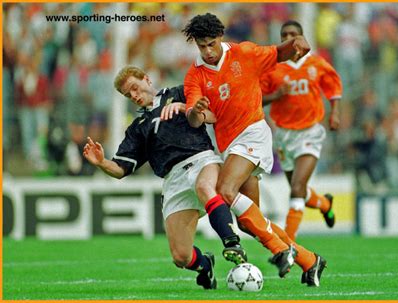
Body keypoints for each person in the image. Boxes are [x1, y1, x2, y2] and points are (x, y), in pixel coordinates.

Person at [182, 13, 327, 287]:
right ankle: (310, 261)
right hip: (229, 147)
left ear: (221, 38)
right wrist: (197, 112)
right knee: (251, 222)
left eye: (211, 44)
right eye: (202, 46)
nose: (208, 51)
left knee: (225, 190)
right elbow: (193, 115)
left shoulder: (245, 53)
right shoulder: (195, 74)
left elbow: (280, 53)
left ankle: (281, 250)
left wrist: (297, 41)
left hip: (253, 132)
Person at [83, 66, 248, 290]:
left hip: (201, 159)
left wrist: (193, 110)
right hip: (173, 179)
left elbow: (212, 116)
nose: (133, 95)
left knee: (204, 186)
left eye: (134, 88)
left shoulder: (180, 93)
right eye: (127, 95)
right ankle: (205, 265)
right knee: (180, 256)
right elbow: (121, 169)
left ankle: (231, 241)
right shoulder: (137, 128)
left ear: (147, 80)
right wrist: (102, 162)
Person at [260, 20, 342, 240]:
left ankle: (289, 243)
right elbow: (256, 99)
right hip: (284, 135)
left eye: (293, 34)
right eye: (284, 34)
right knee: (300, 190)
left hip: (310, 131)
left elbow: (333, 86)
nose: (288, 38)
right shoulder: (273, 68)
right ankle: (324, 204)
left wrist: (335, 112)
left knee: (296, 188)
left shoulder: (316, 64)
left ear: (302, 38)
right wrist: (277, 95)